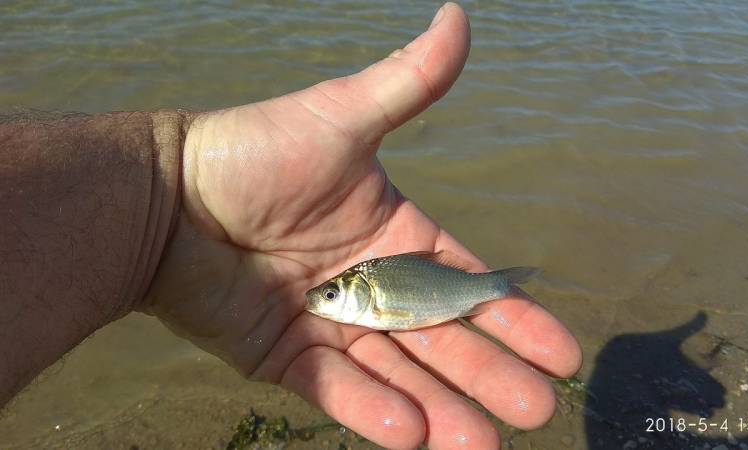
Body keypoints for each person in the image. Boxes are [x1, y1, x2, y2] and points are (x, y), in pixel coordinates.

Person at [0, 3, 581, 449]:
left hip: (449, 290)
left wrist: (164, 192)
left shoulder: (377, 289)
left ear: (354, 292)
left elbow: (397, 307)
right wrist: (166, 188)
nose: (321, 300)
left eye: (330, 296)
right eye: (328, 294)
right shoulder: (368, 289)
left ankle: (499, 286)